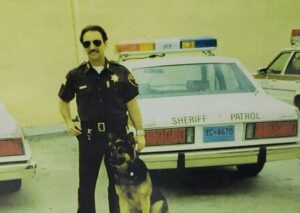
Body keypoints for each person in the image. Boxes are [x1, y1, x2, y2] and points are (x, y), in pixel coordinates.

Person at [58, 25, 145, 213]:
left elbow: (133, 106)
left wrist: (140, 133)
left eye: (97, 42)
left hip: (117, 137)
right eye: (87, 43)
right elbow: (63, 100)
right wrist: (68, 122)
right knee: (86, 186)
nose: (92, 47)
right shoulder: (76, 75)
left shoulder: (120, 73)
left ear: (105, 43)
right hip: (89, 137)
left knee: (117, 186)